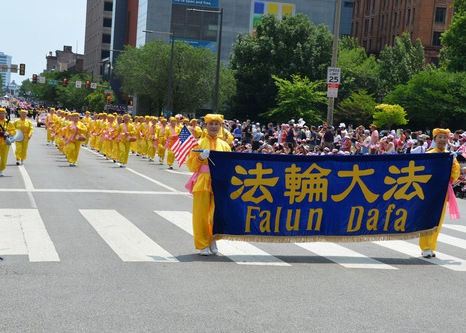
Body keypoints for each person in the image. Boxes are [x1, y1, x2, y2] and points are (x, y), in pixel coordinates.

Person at [185, 114, 231, 256]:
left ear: (221, 127)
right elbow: (191, 166)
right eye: (211, 124)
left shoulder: (225, 145)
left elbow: (229, 166)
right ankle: (202, 245)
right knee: (201, 215)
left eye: (217, 124)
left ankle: (213, 240)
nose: (214, 127)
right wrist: (200, 157)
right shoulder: (198, 144)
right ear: (205, 126)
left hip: (219, 183)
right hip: (203, 182)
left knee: (216, 215)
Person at [419, 128, 460, 258]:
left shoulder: (450, 156)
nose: (442, 140)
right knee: (428, 218)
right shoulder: (429, 154)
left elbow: (455, 174)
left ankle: (431, 247)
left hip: (442, 192)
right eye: (440, 137)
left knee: (438, 219)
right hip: (430, 191)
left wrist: (453, 164)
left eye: (444, 137)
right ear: (435, 139)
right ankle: (425, 247)